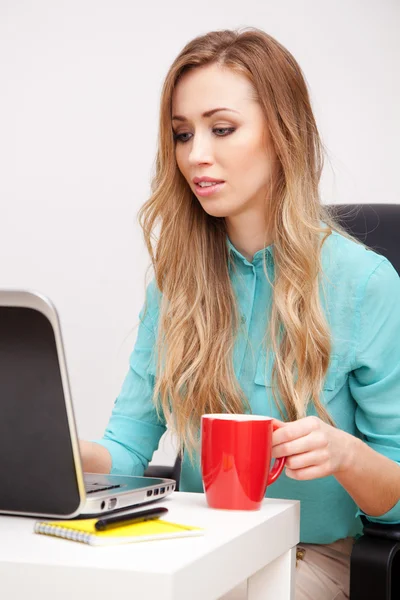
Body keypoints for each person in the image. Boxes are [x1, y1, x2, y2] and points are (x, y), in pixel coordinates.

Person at [80, 28, 400, 599]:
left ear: (282, 134)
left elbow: (395, 498)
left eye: (221, 129)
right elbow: (126, 452)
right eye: (182, 134)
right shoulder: (177, 283)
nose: (196, 154)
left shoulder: (365, 283)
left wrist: (344, 453)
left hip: (315, 556)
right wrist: (47, 445)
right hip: (198, 547)